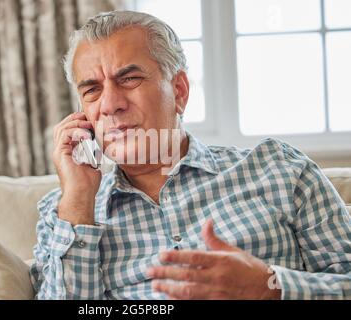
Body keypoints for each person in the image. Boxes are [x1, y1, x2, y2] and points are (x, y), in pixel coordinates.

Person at [30, 10, 351, 300]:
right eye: (92, 90)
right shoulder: (63, 214)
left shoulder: (280, 169)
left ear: (179, 91)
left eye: (129, 79)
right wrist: (78, 201)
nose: (110, 103)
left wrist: (269, 287)